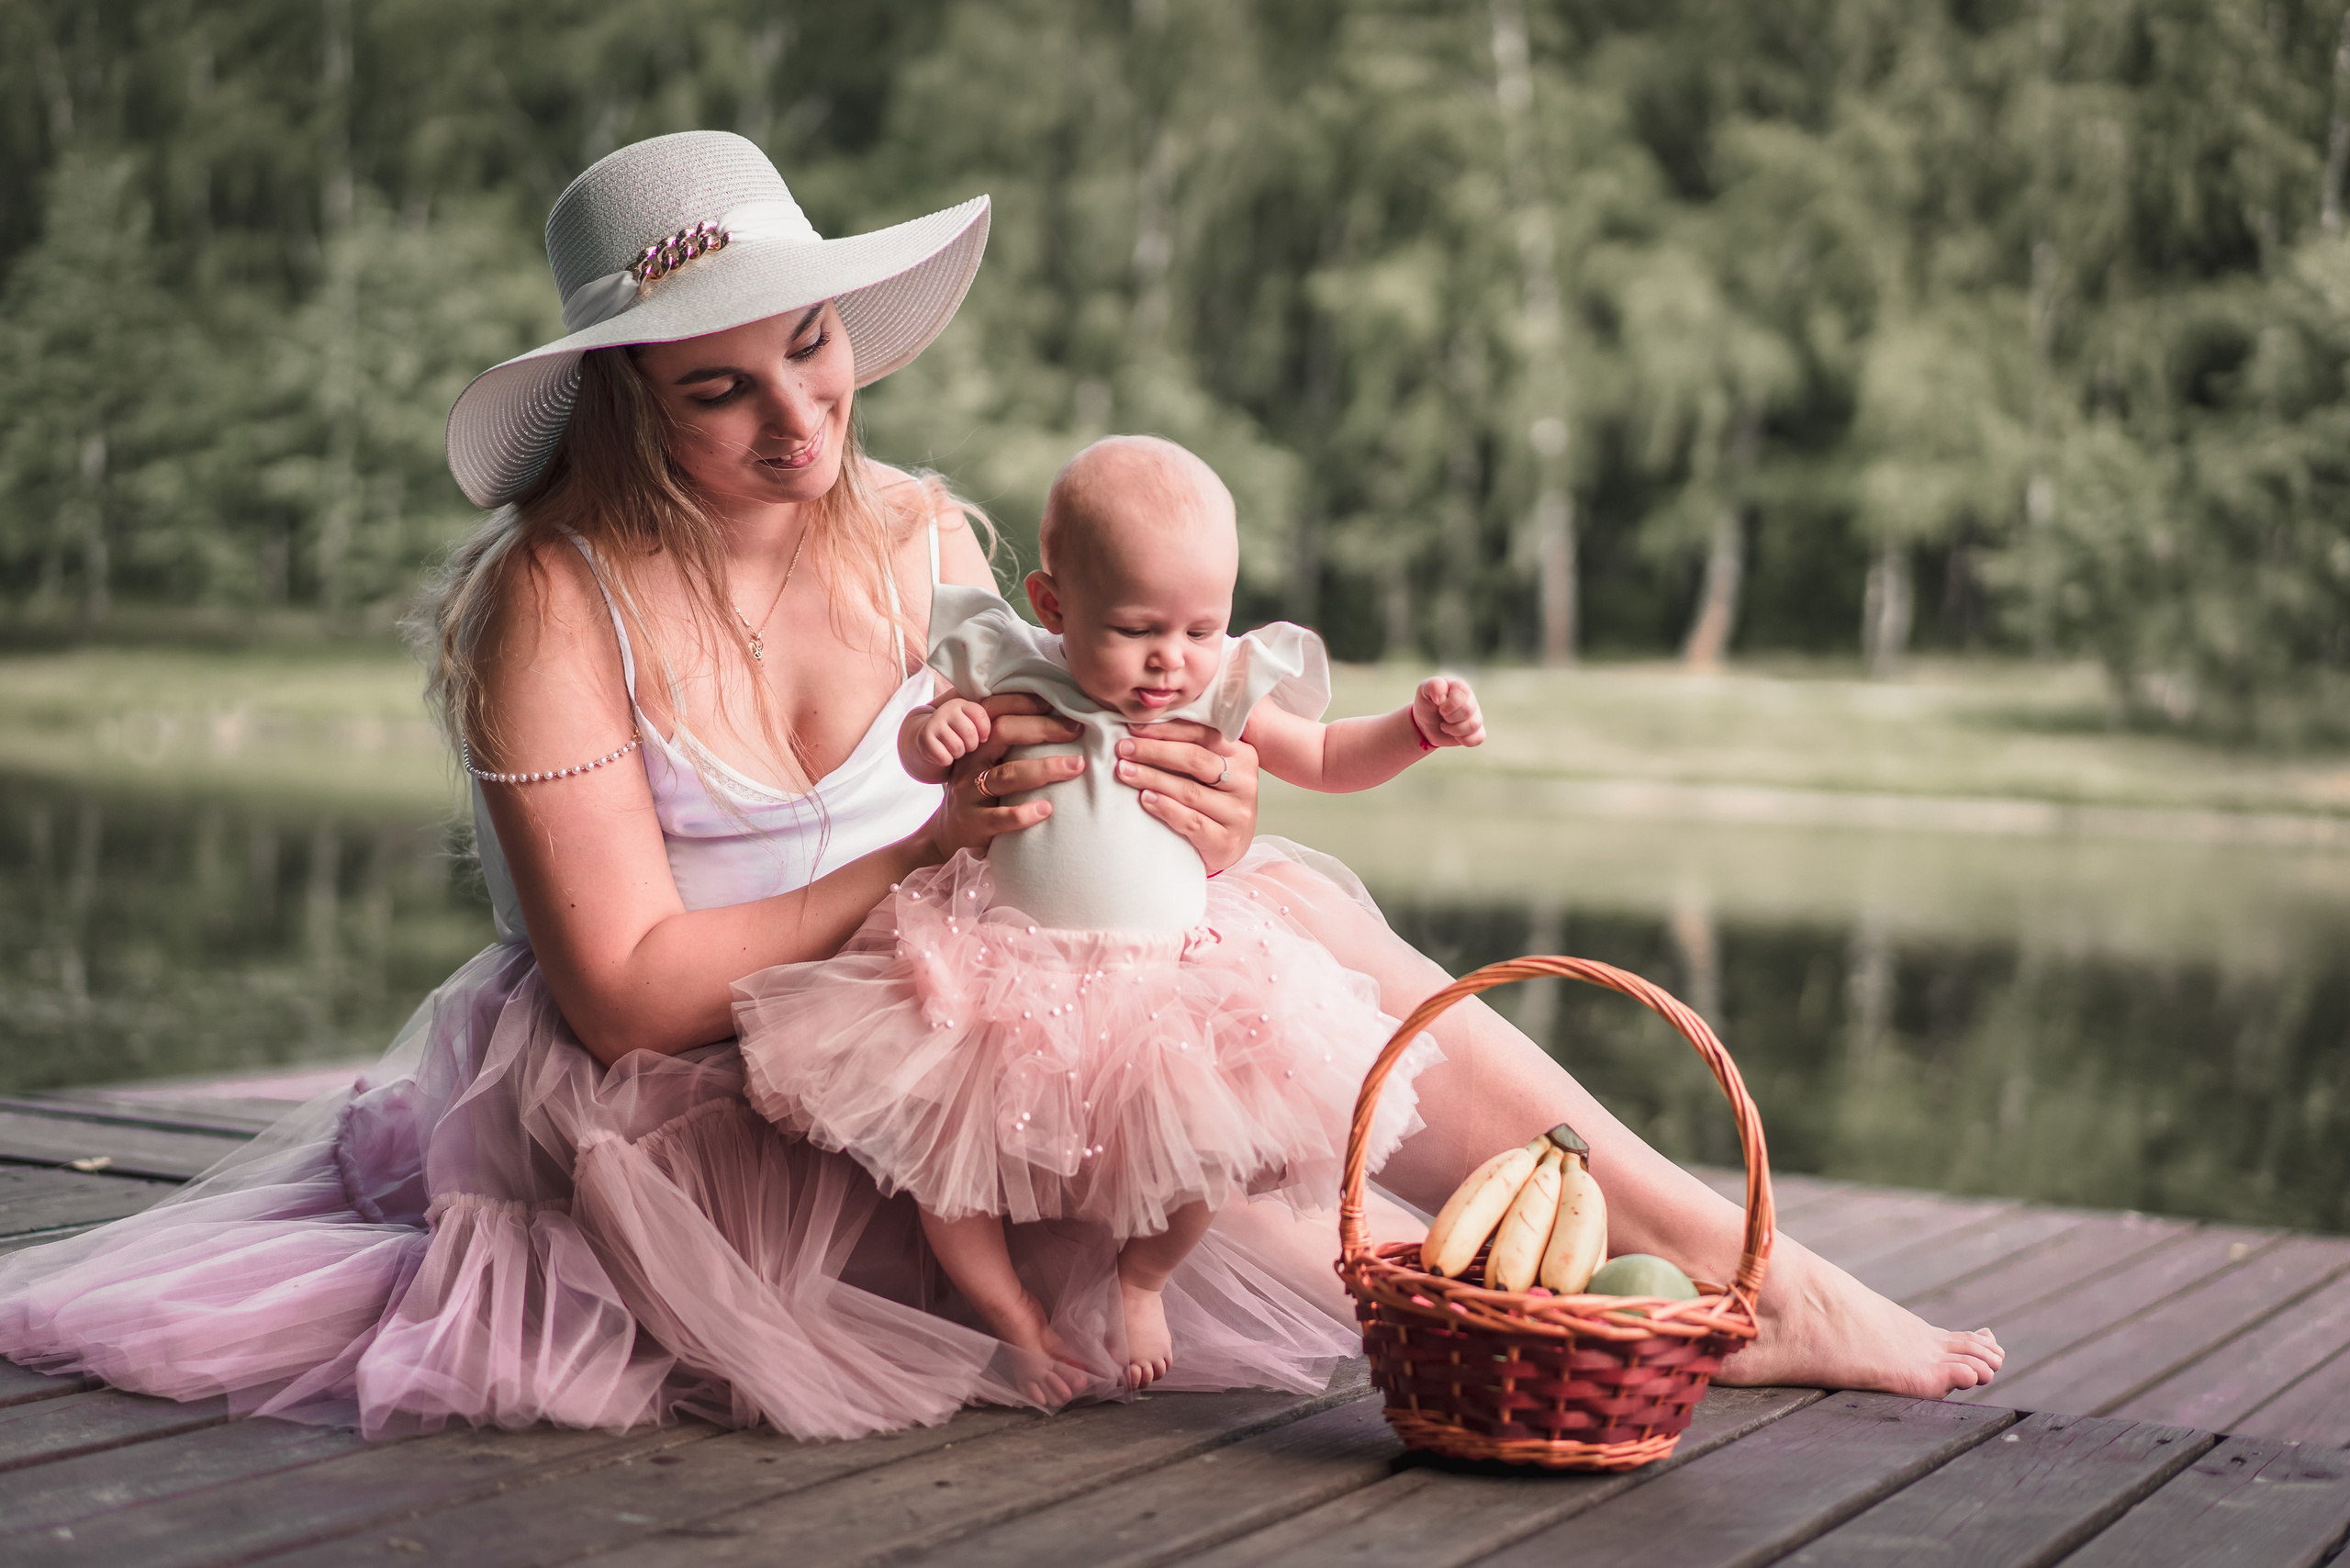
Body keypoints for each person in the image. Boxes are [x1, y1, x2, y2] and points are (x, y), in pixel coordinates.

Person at [0, 131, 1998, 1442]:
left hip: (952, 1005)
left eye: (813, 354)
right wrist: (923, 851)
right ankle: (1633, 1296)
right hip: (695, 1100)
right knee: (1285, 1252)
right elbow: (616, 984)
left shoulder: (924, 538)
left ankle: (1754, 1260)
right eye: (721, 389)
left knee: (1297, 921)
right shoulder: (555, 598)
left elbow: (1081, 770)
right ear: (622, 394)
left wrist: (1191, 823)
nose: (799, 421)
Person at [734, 434, 1481, 1394]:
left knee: (1209, 1147)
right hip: (1004, 972)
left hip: (1166, 980)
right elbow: (925, 751)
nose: (1171, 660)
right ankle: (1011, 1313)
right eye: (1137, 630)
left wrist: (1416, 730)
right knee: (943, 1160)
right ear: (1053, 604)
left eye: (1200, 627)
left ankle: (1145, 1275)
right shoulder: (1012, 668)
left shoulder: (1215, 693)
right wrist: (937, 734)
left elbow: (1331, 757)